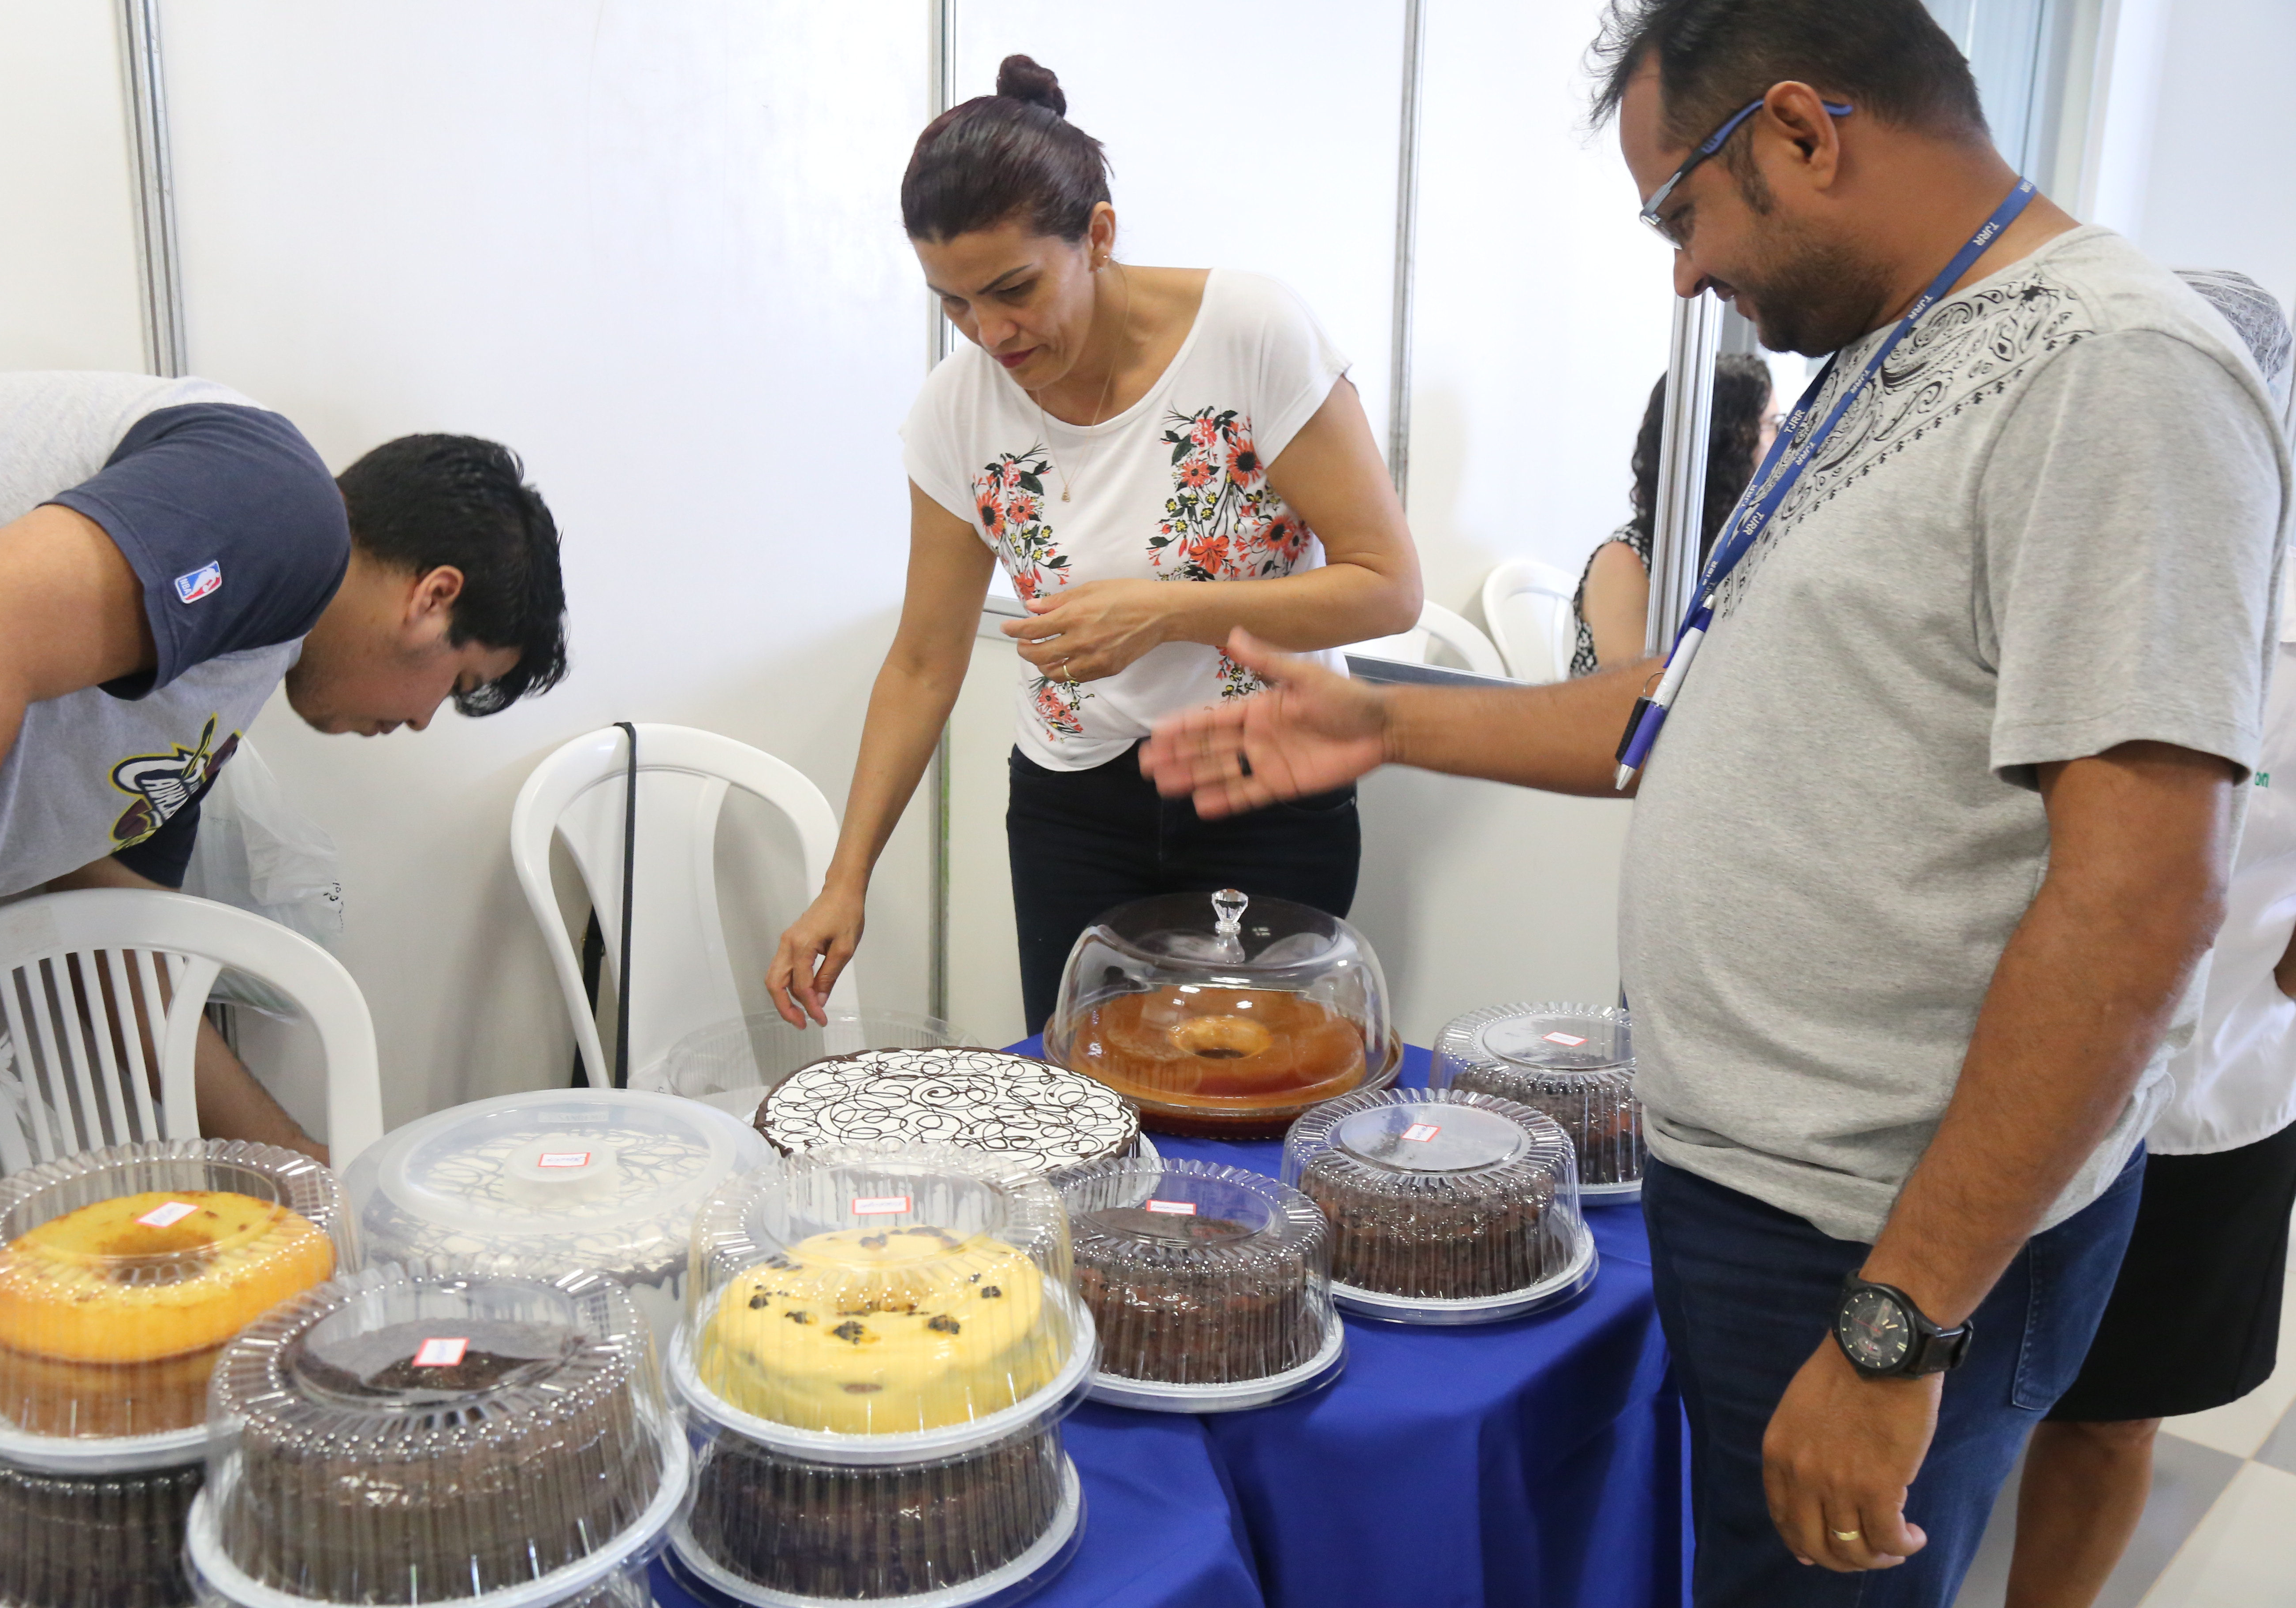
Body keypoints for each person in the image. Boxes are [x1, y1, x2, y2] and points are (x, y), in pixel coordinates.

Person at [1138, 3, 2290, 1604]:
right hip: (1760, 1183)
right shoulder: (1886, 356)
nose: (1680, 272)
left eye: (1679, 208)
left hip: (1876, 1233)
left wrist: (1894, 1330)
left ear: (1807, 132)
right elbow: (1679, 705)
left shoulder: (2120, 370)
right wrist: (1382, 718)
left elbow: (2142, 895)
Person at [765, 54, 1421, 1035]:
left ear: (1099, 235)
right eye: (953, 303)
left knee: (1258, 1092)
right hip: (1073, 808)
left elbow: (1388, 587)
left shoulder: (1251, 335)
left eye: (1013, 289)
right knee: (1088, 1102)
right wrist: (845, 882)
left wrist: (1171, 612)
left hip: (1268, 785)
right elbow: (921, 662)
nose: (989, 332)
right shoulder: (956, 411)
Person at [0, 370, 569, 1247]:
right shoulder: (276, 504)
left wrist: (291, 1160)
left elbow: (121, 937)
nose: (421, 719)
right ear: (432, 598)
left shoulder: (222, 682)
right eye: (460, 681)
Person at [2004, 271, 2296, 1608]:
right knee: (1946, 1381)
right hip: (2001, 1071)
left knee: (2118, 1411)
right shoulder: (2036, 552)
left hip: (2213, 1087)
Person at [1570, 353, 1775, 674]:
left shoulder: (1741, 543)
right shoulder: (1625, 559)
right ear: (1729, 442)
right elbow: (1634, 701)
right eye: (1771, 425)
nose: (1785, 442)